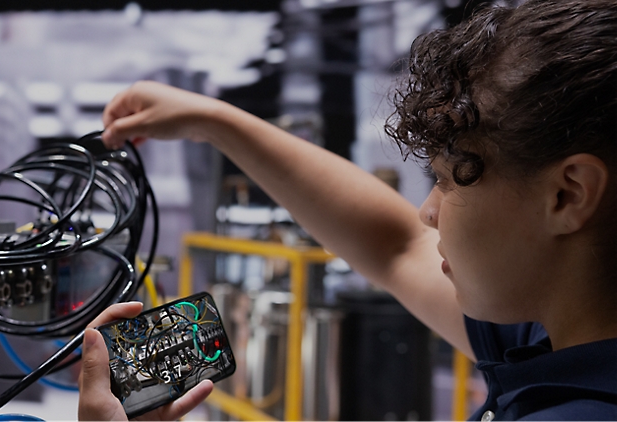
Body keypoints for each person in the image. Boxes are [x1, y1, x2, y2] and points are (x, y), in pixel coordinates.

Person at [78, 0, 617, 420]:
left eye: (449, 180)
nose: (428, 212)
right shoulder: (551, 336)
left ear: (567, 195)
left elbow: (400, 243)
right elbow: (393, 244)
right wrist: (215, 122)